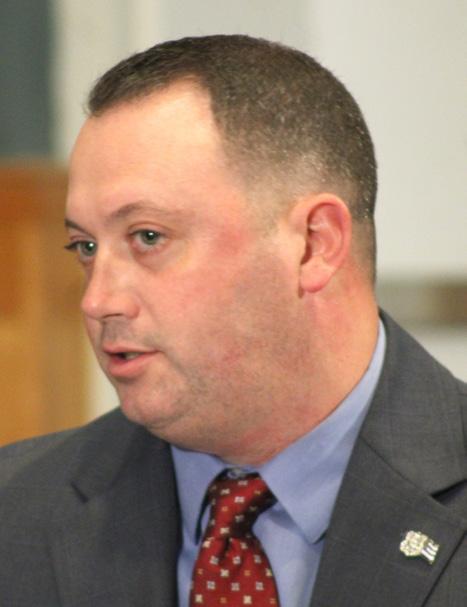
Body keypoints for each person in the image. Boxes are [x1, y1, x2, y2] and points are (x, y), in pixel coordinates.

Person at [0, 35, 465, 607]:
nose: (98, 301)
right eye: (86, 247)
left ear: (313, 245)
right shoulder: (15, 514)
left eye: (149, 237)